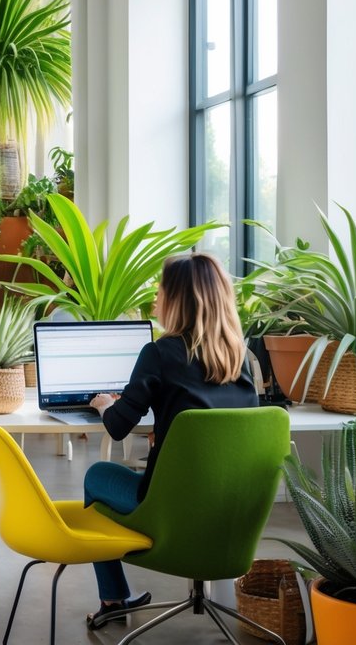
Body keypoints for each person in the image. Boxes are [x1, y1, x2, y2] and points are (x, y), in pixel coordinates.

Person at [82, 252, 258, 630]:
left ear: (178, 299)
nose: (155, 298)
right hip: (228, 517)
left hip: (172, 515)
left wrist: (102, 405)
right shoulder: (242, 358)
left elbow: (118, 426)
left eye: (160, 290)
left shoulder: (160, 352)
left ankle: (113, 597)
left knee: (96, 476)